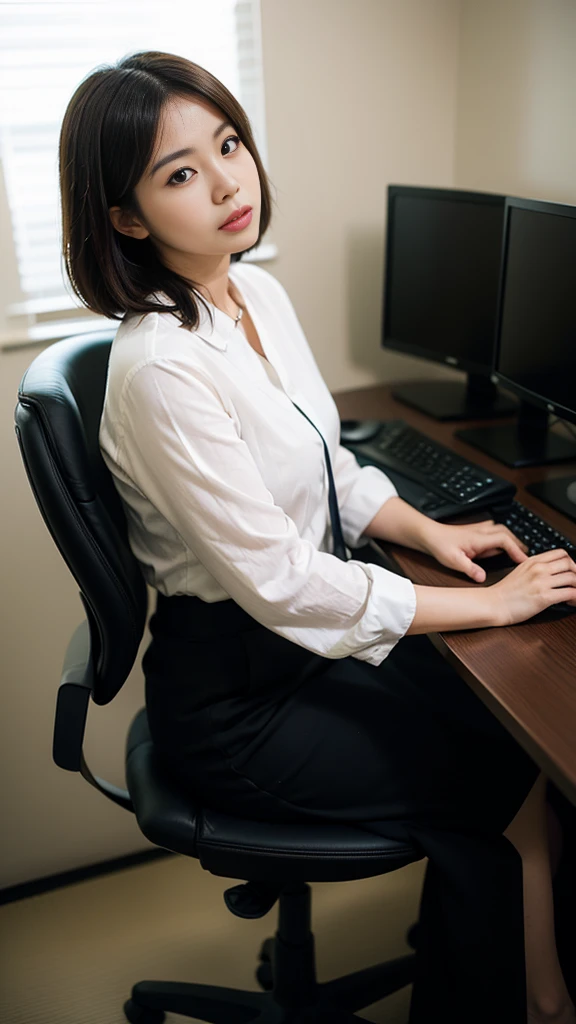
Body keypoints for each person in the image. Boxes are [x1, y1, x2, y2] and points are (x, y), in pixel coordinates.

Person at [58, 50, 576, 1024]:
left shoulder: (254, 294)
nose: (226, 181)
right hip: (234, 697)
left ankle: (531, 983)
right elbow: (284, 584)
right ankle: (525, 996)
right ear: (124, 216)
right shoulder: (162, 370)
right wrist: (492, 601)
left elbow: (327, 465)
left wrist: (436, 529)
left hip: (295, 651)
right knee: (498, 766)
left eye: (228, 144)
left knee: (505, 738)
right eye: (179, 173)